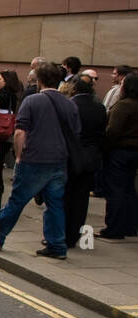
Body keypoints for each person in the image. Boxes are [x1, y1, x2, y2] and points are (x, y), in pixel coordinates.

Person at [0, 61, 80, 259]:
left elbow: (20, 131)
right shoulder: (70, 103)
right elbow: (76, 132)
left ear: (39, 80)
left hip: (33, 159)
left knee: (16, 201)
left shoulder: (33, 101)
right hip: (59, 160)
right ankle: (57, 246)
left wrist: (18, 155)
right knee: (55, 204)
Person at [65, 74, 106, 248]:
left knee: (66, 197)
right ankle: (75, 234)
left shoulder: (71, 105)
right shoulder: (100, 107)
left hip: (72, 156)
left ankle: (64, 234)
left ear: (74, 89)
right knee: (82, 199)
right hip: (91, 157)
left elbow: (67, 132)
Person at [100, 72, 138, 240]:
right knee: (129, 189)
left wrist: (104, 148)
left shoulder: (123, 106)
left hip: (120, 151)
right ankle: (130, 226)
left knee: (115, 189)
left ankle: (114, 228)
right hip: (134, 152)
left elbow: (112, 131)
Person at [0, 69, 23, 202]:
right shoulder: (12, 94)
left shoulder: (5, 95)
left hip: (1, 134)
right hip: (5, 135)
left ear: (6, 81)